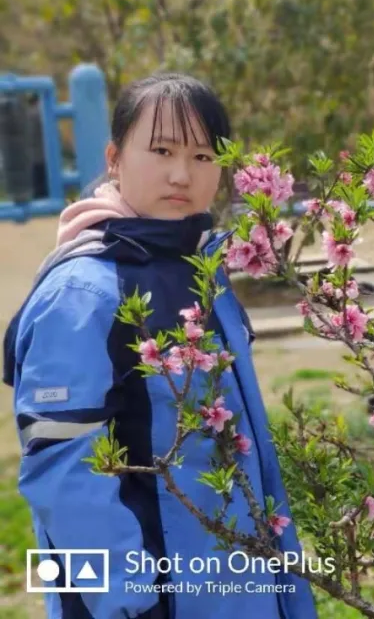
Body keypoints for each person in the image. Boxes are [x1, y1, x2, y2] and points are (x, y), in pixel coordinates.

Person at [2, 73, 317, 619]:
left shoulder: (201, 268)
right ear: (115, 157)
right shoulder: (84, 290)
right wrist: (128, 601)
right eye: (162, 150)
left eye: (202, 156)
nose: (181, 174)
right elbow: (62, 470)